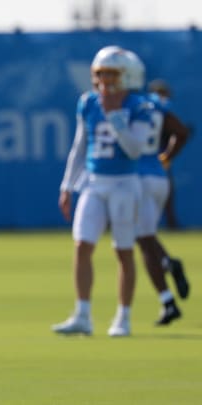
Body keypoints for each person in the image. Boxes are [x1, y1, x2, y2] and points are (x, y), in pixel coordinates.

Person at [53, 46, 151, 337]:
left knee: (123, 251)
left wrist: (117, 120)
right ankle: (82, 314)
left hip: (124, 183)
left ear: (128, 76)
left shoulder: (139, 106)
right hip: (94, 182)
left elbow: (135, 149)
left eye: (112, 74)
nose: (105, 80)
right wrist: (67, 185)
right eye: (101, 74)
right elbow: (80, 146)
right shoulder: (88, 102)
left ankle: (124, 317)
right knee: (82, 246)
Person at [123, 52, 190, 325]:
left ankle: (168, 276)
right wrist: (167, 157)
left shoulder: (124, 105)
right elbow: (181, 132)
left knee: (143, 243)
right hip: (158, 177)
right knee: (145, 238)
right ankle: (168, 295)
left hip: (136, 178)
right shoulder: (154, 104)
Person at [148, 79, 181, 229]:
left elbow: (179, 133)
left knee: (167, 191)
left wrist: (167, 155)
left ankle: (171, 221)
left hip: (157, 160)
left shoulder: (163, 112)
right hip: (142, 160)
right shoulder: (146, 109)